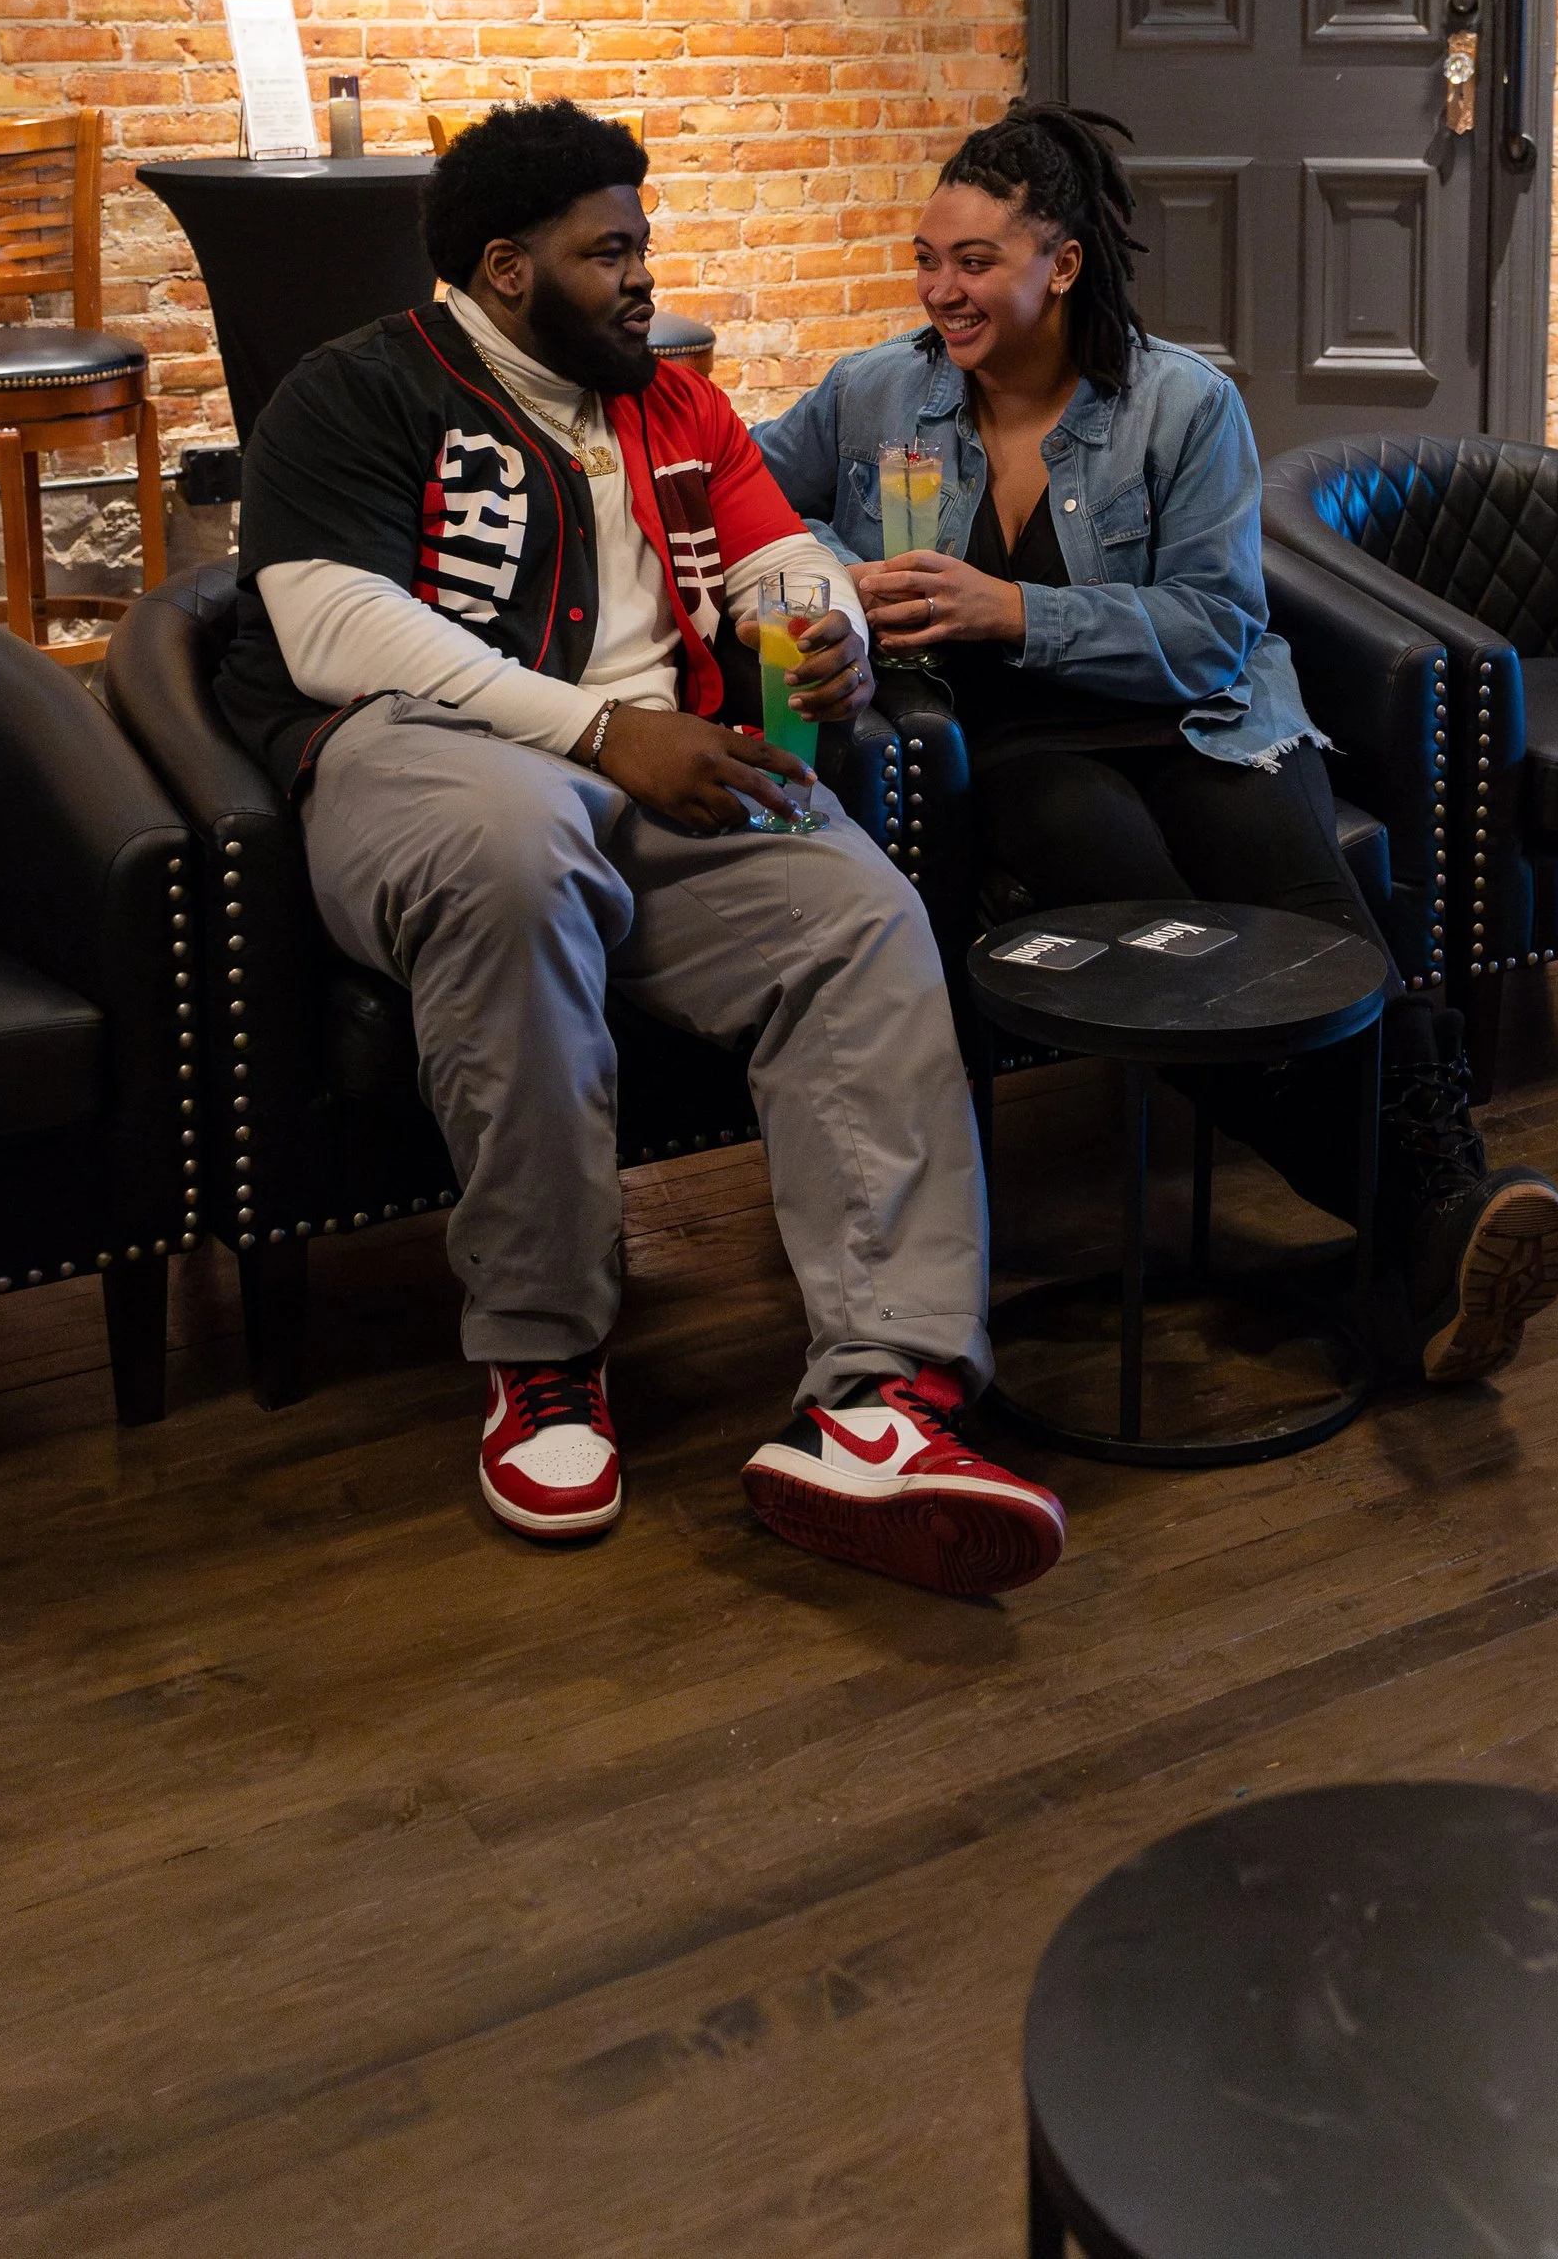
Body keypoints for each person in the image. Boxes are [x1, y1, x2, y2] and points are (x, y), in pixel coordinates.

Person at [213, 100, 1065, 1599]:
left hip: (651, 774)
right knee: (524, 840)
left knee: (854, 907)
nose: (640, 276)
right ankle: (540, 1358)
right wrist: (601, 733)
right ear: (504, 266)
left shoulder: (671, 404)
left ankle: (880, 1397)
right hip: (424, 764)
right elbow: (334, 627)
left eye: (642, 244)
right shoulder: (357, 393)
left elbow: (777, 540)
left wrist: (827, 627)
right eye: (607, 252)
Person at [759, 104, 1558, 1388]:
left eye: (973, 262)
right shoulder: (877, 392)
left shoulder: (1181, 405)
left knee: (1321, 946)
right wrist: (819, 573)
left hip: (1205, 717)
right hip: (1024, 750)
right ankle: (1433, 1219)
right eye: (927, 259)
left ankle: (1426, 1224)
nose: (940, 290)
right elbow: (744, 494)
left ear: (1062, 264)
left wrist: (1014, 608)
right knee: (1178, 965)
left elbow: (1212, 630)